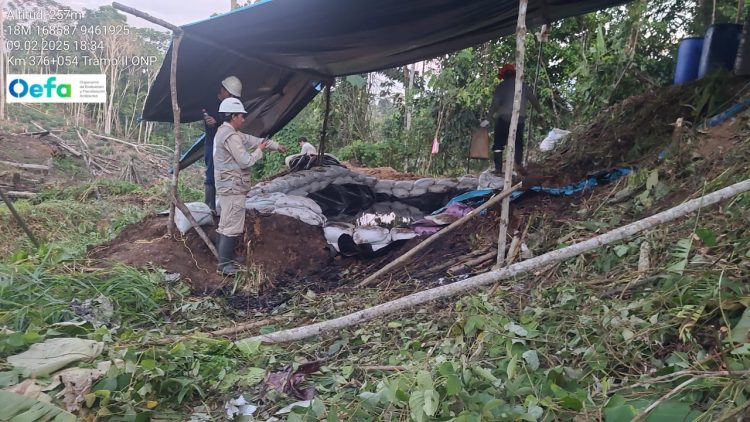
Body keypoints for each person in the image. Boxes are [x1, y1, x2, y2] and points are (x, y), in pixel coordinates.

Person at [213, 97, 287, 275]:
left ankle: (224, 258)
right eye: (241, 116)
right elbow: (245, 161)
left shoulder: (227, 133)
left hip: (227, 186)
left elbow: (253, 140)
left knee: (225, 223)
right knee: (232, 225)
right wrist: (259, 151)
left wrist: (274, 146)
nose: (243, 119)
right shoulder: (230, 136)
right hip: (233, 187)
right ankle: (224, 265)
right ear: (233, 116)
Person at [482, 63, 542, 175]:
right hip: (519, 120)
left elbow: (495, 104)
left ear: (503, 76)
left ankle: (499, 169)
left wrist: (488, 118)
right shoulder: (523, 86)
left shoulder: (500, 87)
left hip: (504, 120)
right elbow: (534, 100)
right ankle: (518, 166)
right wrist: (541, 113)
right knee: (518, 144)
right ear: (514, 75)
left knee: (498, 145)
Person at [203, 75, 243, 212]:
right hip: (212, 144)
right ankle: (210, 208)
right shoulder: (209, 102)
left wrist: (218, 123)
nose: (232, 97)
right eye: (231, 94)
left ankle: (229, 206)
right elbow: (207, 118)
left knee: (231, 174)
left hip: (228, 144)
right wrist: (211, 122)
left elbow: (235, 125)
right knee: (210, 176)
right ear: (224, 90)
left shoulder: (233, 105)